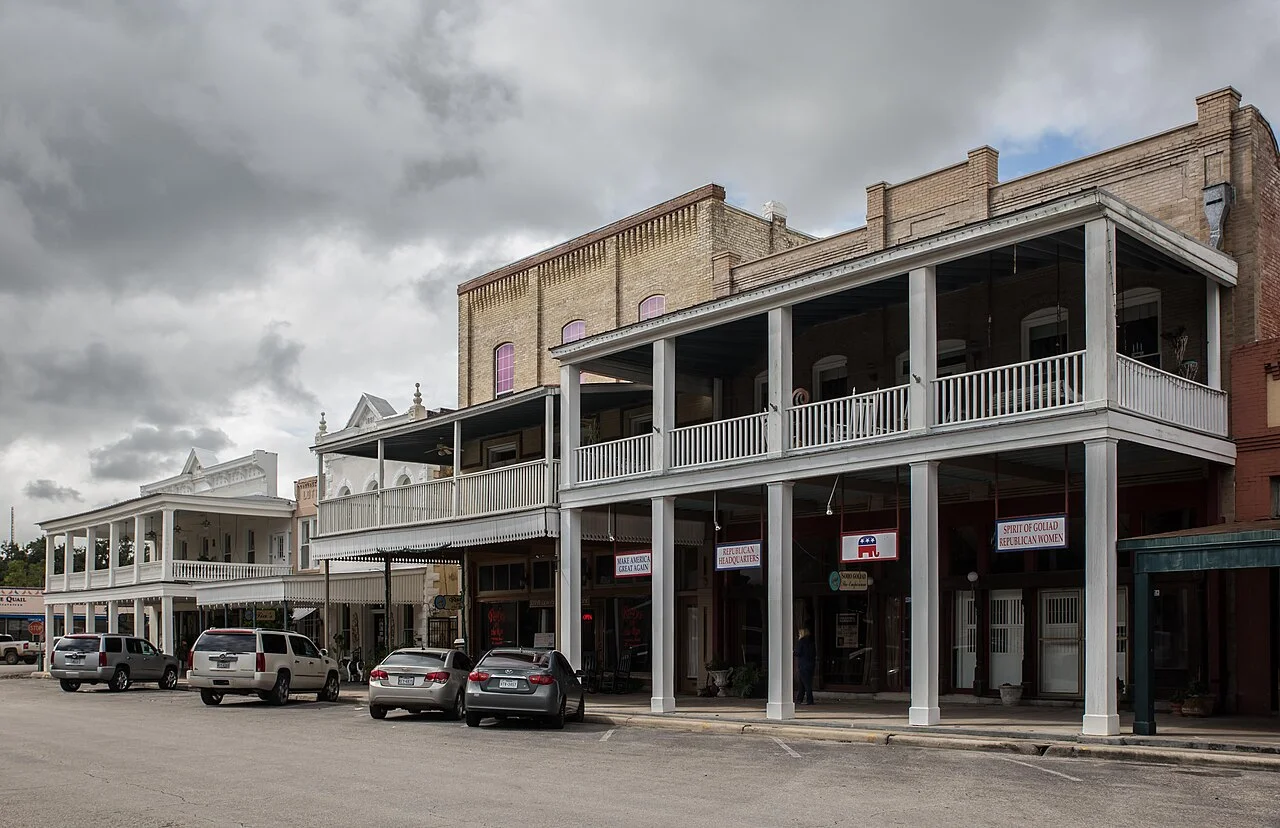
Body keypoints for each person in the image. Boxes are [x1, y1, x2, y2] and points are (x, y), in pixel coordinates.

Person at [793, 626, 816, 705]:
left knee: (806, 684)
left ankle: (810, 700)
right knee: (803, 683)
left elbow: (798, 652)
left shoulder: (801, 642)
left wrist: (793, 652)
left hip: (803, 664)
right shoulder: (811, 642)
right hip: (810, 664)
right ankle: (800, 698)